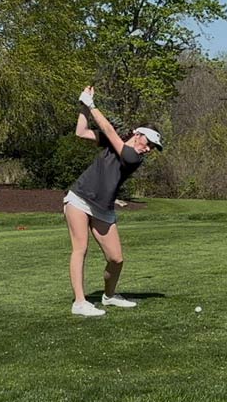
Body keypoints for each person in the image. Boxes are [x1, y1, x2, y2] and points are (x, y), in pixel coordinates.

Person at [65, 86, 163, 317]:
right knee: (80, 248)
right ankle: (79, 302)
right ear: (138, 134)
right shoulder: (116, 143)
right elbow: (81, 132)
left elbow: (109, 131)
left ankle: (109, 296)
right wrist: (84, 106)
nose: (148, 149)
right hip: (79, 198)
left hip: (103, 208)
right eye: (148, 143)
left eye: (152, 147)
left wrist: (91, 104)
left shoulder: (133, 158)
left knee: (116, 259)